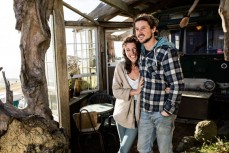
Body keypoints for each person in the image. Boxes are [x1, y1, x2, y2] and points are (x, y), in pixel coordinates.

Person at [134, 13, 185, 153]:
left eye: (143, 28)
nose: (139, 32)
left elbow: (178, 83)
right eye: (137, 29)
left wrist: (168, 110)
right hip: (145, 110)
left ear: (153, 29)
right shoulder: (142, 50)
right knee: (142, 149)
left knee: (164, 150)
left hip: (162, 111)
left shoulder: (167, 51)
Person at [112, 35, 144, 153]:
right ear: (124, 52)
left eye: (134, 49)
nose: (132, 53)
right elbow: (115, 90)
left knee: (124, 149)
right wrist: (134, 92)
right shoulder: (120, 67)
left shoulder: (144, 66)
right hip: (121, 112)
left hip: (137, 114)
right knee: (124, 147)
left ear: (139, 49)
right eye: (128, 50)